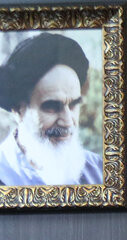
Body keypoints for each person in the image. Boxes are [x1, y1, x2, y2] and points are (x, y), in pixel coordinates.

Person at [0, 32, 103, 186]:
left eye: (73, 105)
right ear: (18, 110)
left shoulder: (98, 171)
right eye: (52, 107)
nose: (68, 122)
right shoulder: (4, 174)